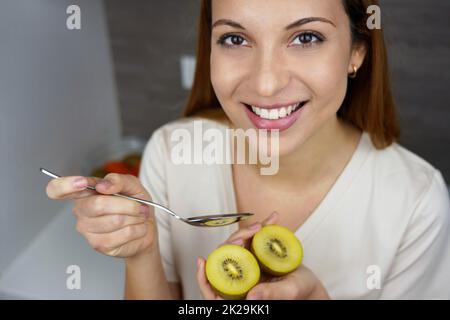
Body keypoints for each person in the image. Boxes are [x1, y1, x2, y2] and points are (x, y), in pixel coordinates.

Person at [45, 0, 450, 299]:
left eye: (306, 37)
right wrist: (140, 253)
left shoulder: (416, 202)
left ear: (356, 53)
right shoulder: (171, 153)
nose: (267, 84)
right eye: (235, 38)